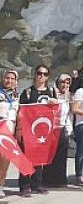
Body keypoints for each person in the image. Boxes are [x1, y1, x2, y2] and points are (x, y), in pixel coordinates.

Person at [17, 65, 58, 196]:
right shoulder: (28, 92)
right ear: (35, 74)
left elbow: (55, 110)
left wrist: (54, 102)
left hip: (43, 130)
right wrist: (19, 129)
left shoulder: (51, 91)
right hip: (29, 130)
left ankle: (37, 183)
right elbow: (21, 111)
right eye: (39, 73)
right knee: (26, 157)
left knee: (40, 157)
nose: (42, 76)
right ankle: (24, 185)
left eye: (45, 74)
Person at [44, 74, 73, 187]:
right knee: (50, 155)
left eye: (67, 83)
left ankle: (60, 180)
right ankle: (48, 179)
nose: (64, 85)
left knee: (61, 156)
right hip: (52, 129)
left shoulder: (68, 96)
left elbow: (68, 115)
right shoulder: (51, 93)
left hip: (62, 128)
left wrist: (69, 131)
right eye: (62, 82)